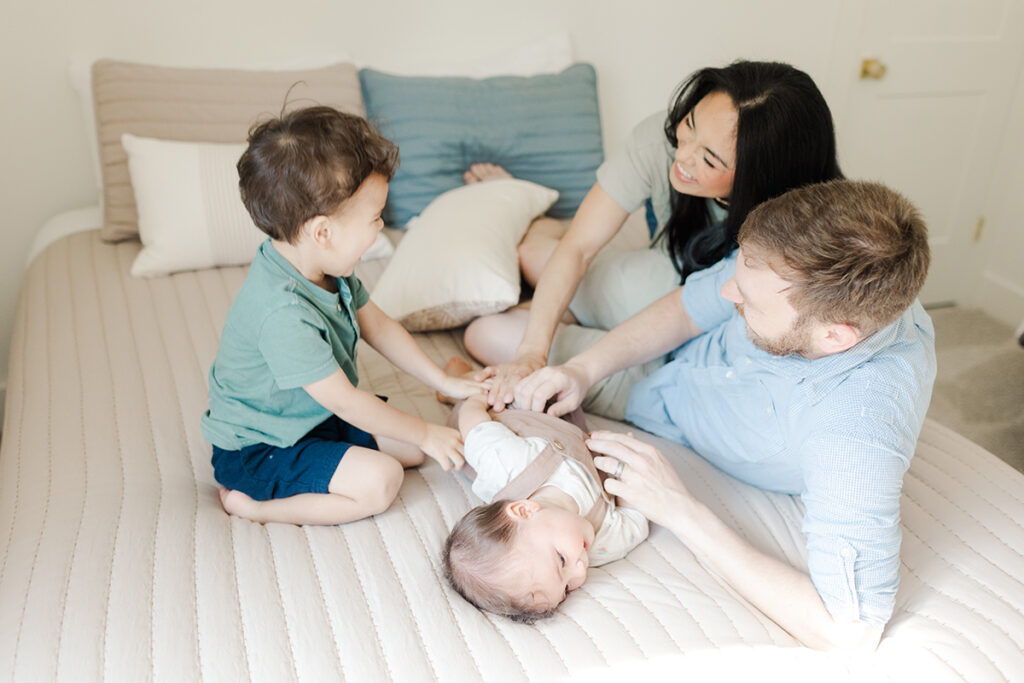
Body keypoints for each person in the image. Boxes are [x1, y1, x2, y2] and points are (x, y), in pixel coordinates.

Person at [513, 180, 935, 650]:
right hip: (674, 346)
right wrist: (581, 370)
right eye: (737, 273)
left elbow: (849, 631)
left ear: (835, 338)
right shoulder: (796, 270)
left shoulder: (856, 432)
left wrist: (680, 508)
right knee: (533, 265)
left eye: (749, 301)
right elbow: (690, 308)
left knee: (490, 337)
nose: (729, 290)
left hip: (661, 399)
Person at [464, 60, 843, 417]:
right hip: (660, 281)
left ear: (759, 179)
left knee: (489, 333)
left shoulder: (803, 234)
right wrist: (531, 353)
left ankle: (563, 306)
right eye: (689, 125)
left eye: (710, 160)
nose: (683, 155)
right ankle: (537, 220)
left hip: (682, 357)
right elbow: (578, 247)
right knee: (529, 260)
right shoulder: (658, 145)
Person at [201, 106, 483, 526]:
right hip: (260, 447)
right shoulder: (281, 312)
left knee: (410, 450)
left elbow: (378, 326)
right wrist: (425, 431)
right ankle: (255, 507)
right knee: (382, 479)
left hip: (311, 418)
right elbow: (348, 403)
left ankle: (362, 450)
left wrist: (441, 380)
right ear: (323, 232)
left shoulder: (326, 266)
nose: (381, 225)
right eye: (374, 217)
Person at [440, 358, 648, 622]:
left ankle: (460, 382)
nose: (581, 570)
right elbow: (635, 521)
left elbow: (476, 428)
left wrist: (475, 401)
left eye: (561, 561)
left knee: (490, 396)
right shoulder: (603, 540)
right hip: (566, 426)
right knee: (555, 397)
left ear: (523, 510)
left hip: (505, 416)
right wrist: (628, 465)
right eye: (567, 588)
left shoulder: (505, 464)